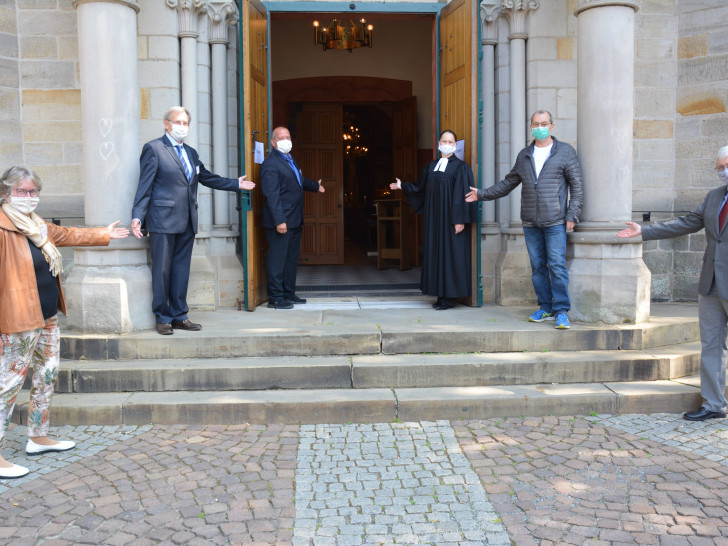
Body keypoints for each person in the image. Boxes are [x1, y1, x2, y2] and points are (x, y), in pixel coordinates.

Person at [0, 166, 129, 479]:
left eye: (33, 192)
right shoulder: (3, 227)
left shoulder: (37, 225)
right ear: (6, 193)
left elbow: (68, 235)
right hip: (17, 317)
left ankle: (38, 436)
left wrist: (104, 234)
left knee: (47, 374)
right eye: (22, 192)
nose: (29, 197)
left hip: (46, 315)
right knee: (7, 384)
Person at [617, 145, 728, 422]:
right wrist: (645, 230)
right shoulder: (714, 197)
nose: (723, 170)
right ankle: (714, 405)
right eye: (719, 166)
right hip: (711, 285)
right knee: (711, 346)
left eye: (726, 164)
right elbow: (687, 222)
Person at [131, 106, 255, 335]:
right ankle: (163, 317)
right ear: (166, 124)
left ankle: (179, 315)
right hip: (162, 221)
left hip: (187, 221)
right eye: (178, 122)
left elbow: (207, 177)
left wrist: (235, 184)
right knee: (162, 271)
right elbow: (145, 185)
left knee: (181, 270)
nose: (182, 127)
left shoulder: (190, 152)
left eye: (185, 123)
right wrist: (137, 215)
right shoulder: (155, 148)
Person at [465, 110, 583, 328]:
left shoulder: (565, 152)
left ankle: (561, 311)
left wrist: (572, 215)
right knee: (538, 266)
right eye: (536, 123)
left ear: (552, 126)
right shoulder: (524, 155)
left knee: (557, 266)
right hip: (530, 221)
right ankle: (545, 307)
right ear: (531, 127)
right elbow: (508, 183)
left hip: (556, 220)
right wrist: (481, 194)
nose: (540, 126)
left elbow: (576, 185)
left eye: (544, 123)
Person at [389, 130, 478, 310]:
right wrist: (402, 186)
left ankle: (450, 298)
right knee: (437, 255)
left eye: (450, 141)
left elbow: (463, 195)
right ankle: (440, 295)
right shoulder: (431, 166)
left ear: (455, 145)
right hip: (434, 221)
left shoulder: (461, 167)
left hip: (452, 220)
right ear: (438, 143)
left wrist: (459, 220)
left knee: (450, 256)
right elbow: (420, 188)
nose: (446, 143)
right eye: (444, 140)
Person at [261, 126, 325, 309]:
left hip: (295, 220)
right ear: (273, 142)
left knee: (290, 260)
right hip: (281, 221)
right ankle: (275, 297)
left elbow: (298, 180)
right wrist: (280, 220)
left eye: (288, 136)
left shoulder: (289, 159)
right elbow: (272, 195)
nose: (285, 140)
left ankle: (289, 294)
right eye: (281, 137)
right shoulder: (271, 164)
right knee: (277, 260)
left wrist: (314, 186)